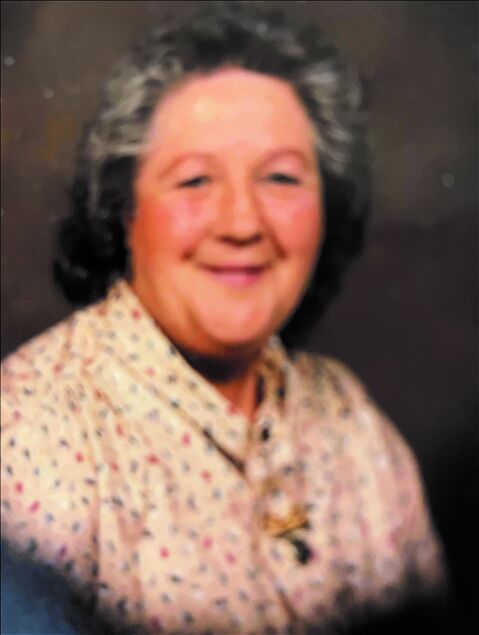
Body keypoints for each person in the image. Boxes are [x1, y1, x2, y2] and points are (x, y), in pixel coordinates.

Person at [1, 2, 447, 634]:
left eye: (281, 178)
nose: (242, 223)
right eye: (194, 181)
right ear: (124, 209)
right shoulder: (32, 432)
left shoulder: (352, 421)